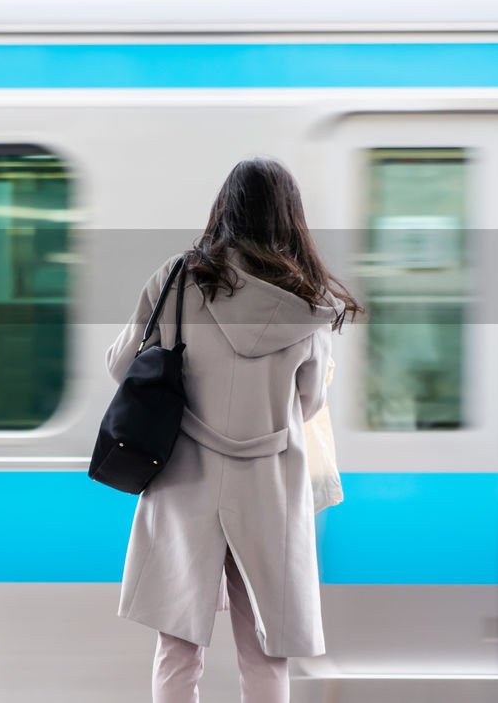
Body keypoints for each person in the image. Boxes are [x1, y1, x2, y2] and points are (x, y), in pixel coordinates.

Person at [106, 158, 361, 703]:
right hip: (269, 485)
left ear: (225, 207)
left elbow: (123, 366)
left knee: (178, 649)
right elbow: (310, 400)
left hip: (183, 479)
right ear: (288, 218)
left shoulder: (176, 279)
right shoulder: (308, 302)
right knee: (265, 653)